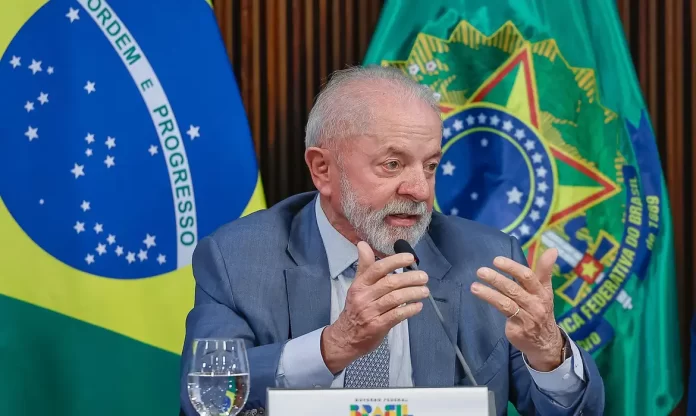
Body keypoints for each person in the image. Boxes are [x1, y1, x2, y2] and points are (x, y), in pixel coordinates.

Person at [180, 65, 605, 415]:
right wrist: (334, 346)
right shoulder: (237, 258)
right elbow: (205, 399)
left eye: (430, 166)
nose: (419, 190)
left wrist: (548, 354)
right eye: (392, 164)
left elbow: (575, 411)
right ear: (323, 169)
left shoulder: (487, 260)